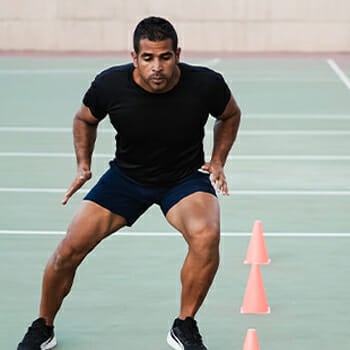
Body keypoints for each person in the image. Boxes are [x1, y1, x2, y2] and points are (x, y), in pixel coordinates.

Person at [17, 16, 241, 350]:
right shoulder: (110, 85)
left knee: (207, 235)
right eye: (148, 57)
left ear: (177, 53)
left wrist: (219, 159)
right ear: (133, 57)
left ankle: (184, 325)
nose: (157, 67)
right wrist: (83, 164)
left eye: (165, 57)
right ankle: (42, 325)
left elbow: (230, 114)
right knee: (68, 250)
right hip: (125, 178)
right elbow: (84, 118)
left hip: (182, 179)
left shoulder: (205, 84)